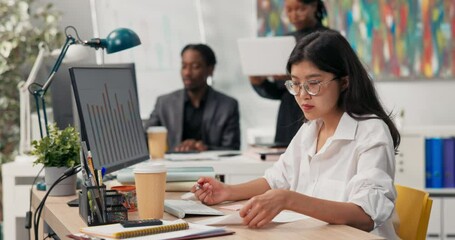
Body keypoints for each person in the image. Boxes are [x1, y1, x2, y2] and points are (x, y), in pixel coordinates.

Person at [192, 30, 401, 239]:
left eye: (313, 84)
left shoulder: (371, 131)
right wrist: (227, 191)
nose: (302, 95)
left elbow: (364, 215)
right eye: (296, 84)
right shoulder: (311, 128)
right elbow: (276, 180)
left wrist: (289, 199)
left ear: (344, 82)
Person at [250, 0, 329, 146]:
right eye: (289, 10)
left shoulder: (329, 38)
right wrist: (260, 83)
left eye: (300, 9)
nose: (294, 15)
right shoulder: (284, 40)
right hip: (288, 116)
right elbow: (279, 92)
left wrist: (295, 78)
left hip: (318, 111)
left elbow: (329, 78)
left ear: (314, 6)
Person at [144, 44, 240, 152]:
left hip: (214, 166)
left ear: (210, 70)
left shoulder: (227, 105)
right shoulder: (164, 103)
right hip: (172, 166)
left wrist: (204, 148)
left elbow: (232, 149)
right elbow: (144, 139)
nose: (187, 73)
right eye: (184, 66)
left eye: (195, 67)